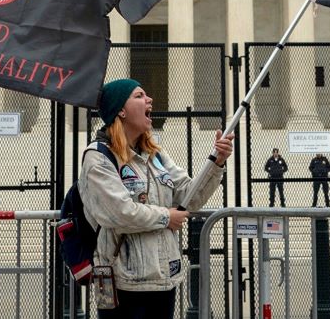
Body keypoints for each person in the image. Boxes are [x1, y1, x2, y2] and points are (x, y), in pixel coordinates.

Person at [78, 78, 234, 318]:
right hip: (125, 283)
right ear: (120, 110)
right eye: (139, 96)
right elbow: (117, 213)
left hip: (164, 278)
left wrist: (217, 161)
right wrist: (165, 217)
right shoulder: (98, 157)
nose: (149, 99)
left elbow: (189, 197)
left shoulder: (155, 155)